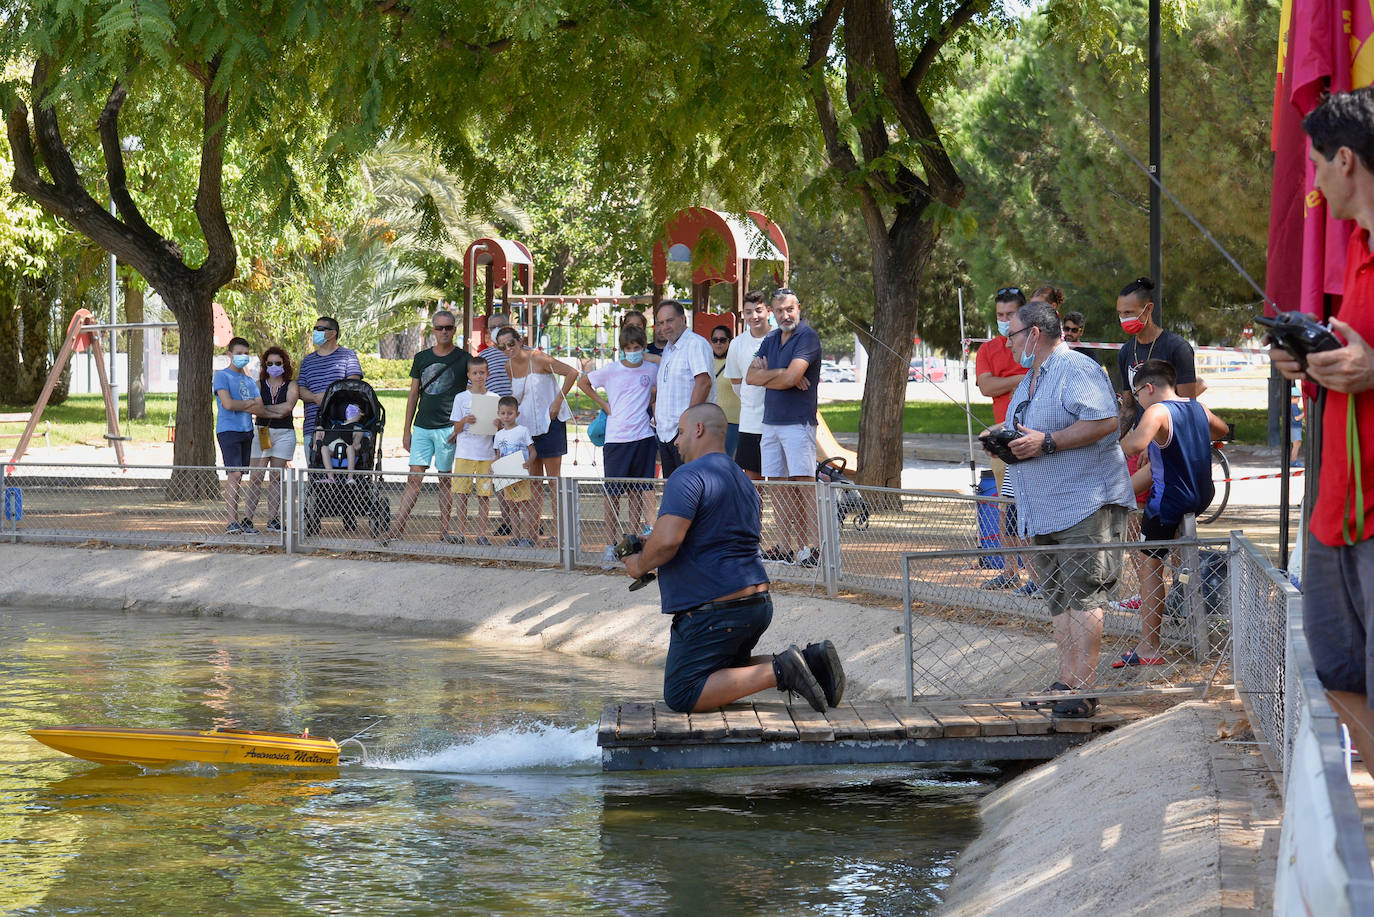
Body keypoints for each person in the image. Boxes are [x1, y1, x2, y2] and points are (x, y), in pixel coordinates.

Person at [1269, 87, 1374, 766]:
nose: (1310, 181)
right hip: (1334, 512)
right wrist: (1310, 362)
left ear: (1345, 161)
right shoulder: (1358, 252)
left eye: (1312, 164)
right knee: (1338, 678)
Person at [620, 403, 845, 714]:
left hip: (715, 612)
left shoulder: (686, 476)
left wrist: (639, 564)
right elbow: (712, 534)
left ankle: (782, 670)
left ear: (699, 430)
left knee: (683, 692)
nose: (676, 442)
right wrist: (652, 541)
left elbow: (669, 540)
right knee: (725, 668)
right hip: (754, 605)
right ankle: (813, 662)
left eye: (681, 433)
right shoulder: (741, 479)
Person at [985, 300, 1135, 719]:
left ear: (1034, 333)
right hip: (1045, 509)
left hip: (1085, 504)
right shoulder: (1028, 379)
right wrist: (1003, 441)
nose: (1007, 341)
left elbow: (1106, 421)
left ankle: (1084, 691)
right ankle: (1066, 682)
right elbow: (1028, 433)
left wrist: (1048, 442)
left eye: (1011, 333)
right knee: (1059, 597)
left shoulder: (1077, 369)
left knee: (1084, 595)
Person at [1117, 360, 1228, 668]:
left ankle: (1149, 645)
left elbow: (1133, 445)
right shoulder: (1196, 407)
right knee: (1177, 558)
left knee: (1150, 568)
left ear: (1148, 388)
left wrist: (1120, 441)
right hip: (1201, 494)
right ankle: (1190, 620)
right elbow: (1221, 429)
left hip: (1168, 502)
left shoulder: (1157, 411)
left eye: (1137, 394)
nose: (1138, 401)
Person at [747, 288, 823, 567]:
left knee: (804, 484)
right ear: (772, 312)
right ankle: (784, 546)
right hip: (771, 423)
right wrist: (781, 374)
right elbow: (750, 377)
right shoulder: (770, 338)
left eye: (789, 309)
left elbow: (793, 377)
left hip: (797, 423)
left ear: (798, 308)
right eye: (779, 310)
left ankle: (813, 546)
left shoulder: (808, 337)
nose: (784, 315)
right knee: (777, 484)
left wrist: (785, 376)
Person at [386, 310, 470, 544]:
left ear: (454, 330)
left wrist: (462, 425)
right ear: (432, 330)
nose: (444, 331)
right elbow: (413, 394)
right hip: (422, 427)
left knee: (446, 479)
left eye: (448, 327)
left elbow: (474, 390)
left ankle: (444, 530)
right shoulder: (422, 357)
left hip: (447, 428)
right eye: (440, 327)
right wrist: (406, 429)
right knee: (414, 479)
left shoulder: (464, 358)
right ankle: (397, 527)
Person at [579, 322, 659, 551]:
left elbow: (661, 380)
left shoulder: (650, 369)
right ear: (622, 348)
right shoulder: (611, 370)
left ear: (644, 346)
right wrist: (603, 403)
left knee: (638, 490)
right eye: (628, 347)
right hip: (617, 439)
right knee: (612, 493)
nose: (633, 351)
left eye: (637, 347)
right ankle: (608, 543)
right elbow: (583, 381)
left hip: (643, 437)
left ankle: (632, 541)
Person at [975, 287, 1030, 588]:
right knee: (1006, 506)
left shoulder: (1034, 345)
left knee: (1031, 508)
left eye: (1010, 315)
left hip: (1034, 439)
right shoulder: (988, 349)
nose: (1005, 321)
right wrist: (1017, 380)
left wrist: (1006, 384)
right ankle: (1011, 571)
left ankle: (1040, 576)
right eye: (1000, 315)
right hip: (1002, 440)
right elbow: (986, 386)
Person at [499, 325, 579, 481]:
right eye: (502, 346)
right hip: (527, 426)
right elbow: (516, 397)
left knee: (554, 479)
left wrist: (558, 401)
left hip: (550, 421)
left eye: (510, 343)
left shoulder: (538, 358)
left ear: (520, 341)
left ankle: (557, 506)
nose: (508, 348)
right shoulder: (508, 366)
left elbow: (572, 372)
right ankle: (535, 507)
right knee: (534, 479)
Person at [652, 300, 715, 477]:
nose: (666, 327)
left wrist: (687, 425)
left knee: (691, 491)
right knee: (675, 492)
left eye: (670, 321)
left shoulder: (695, 344)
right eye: (661, 323)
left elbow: (704, 383)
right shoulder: (669, 349)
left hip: (687, 434)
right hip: (667, 434)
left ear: (683, 319)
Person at [1116, 277, 1205, 400]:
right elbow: (1128, 407)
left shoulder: (1177, 348)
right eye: (1120, 313)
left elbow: (1188, 406)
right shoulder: (1125, 352)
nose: (1123, 318)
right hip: (1142, 420)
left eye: (1128, 312)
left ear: (1149, 308)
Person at [243, 346, 298, 533]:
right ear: (265, 365)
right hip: (261, 433)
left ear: (284, 364)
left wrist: (265, 410)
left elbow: (288, 408)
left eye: (278, 363)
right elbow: (254, 408)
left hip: (284, 434)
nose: (274, 366)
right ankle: (247, 519)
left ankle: (273, 519)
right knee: (256, 477)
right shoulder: (258, 385)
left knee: (276, 476)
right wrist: (272, 411)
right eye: (270, 363)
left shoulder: (291, 385)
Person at [214, 337, 264, 535]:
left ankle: (242, 522)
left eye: (246, 353)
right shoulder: (222, 376)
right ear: (229, 355)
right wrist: (248, 404)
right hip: (228, 430)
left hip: (247, 431)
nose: (243, 357)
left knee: (241, 474)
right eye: (239, 353)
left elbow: (259, 406)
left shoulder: (249, 380)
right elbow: (228, 404)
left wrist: (244, 405)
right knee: (233, 474)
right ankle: (231, 521)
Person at [448, 357, 497, 545]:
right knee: (461, 494)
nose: (478, 376)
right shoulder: (461, 398)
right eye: (475, 373)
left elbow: (500, 428)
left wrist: (497, 424)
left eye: (482, 373)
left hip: (486, 455)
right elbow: (455, 429)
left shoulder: (494, 398)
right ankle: (460, 532)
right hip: (465, 453)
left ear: (487, 374)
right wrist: (464, 422)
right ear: (469, 375)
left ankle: (481, 534)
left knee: (484, 495)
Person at [726, 290, 771, 481]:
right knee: (753, 479)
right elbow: (736, 381)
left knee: (782, 480)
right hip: (750, 422)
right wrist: (751, 398)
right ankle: (754, 513)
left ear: (768, 311)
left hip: (778, 419)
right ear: (743, 314)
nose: (754, 316)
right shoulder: (737, 344)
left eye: (758, 310)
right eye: (749, 311)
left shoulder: (779, 338)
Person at [297, 316, 363, 444]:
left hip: (342, 427)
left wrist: (329, 397)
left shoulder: (348, 355)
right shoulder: (307, 360)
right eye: (315, 329)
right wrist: (315, 398)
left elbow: (354, 385)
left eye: (320, 329)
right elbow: (301, 389)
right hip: (313, 427)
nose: (315, 332)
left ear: (333, 333)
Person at [493, 395, 538, 547]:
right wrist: (493, 466)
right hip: (507, 476)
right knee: (511, 506)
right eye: (503, 413)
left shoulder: (522, 431)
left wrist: (529, 463)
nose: (506, 416)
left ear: (517, 414)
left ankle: (530, 537)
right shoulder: (499, 435)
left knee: (525, 506)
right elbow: (498, 455)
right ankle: (516, 537)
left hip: (520, 475)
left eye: (510, 413)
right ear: (498, 414)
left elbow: (533, 451)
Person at [314, 404, 368, 482]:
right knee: (324, 448)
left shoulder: (359, 429)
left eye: (355, 408)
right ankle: (330, 477)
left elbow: (355, 446)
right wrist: (319, 431)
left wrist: (361, 445)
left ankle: (350, 477)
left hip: (347, 450)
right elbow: (324, 433)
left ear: (361, 413)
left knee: (350, 448)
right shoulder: (335, 425)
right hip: (332, 449)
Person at [710, 324, 741, 457]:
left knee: (725, 461)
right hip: (710, 421)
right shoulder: (706, 361)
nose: (718, 343)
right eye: (715, 340)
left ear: (729, 341)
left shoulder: (736, 362)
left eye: (722, 340)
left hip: (732, 422)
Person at [478, 311, 514, 397]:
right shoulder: (483, 357)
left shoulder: (525, 352)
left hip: (520, 407)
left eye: (501, 326)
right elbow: (472, 386)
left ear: (509, 327)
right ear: (489, 331)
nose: (497, 330)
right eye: (493, 327)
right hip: (493, 407)